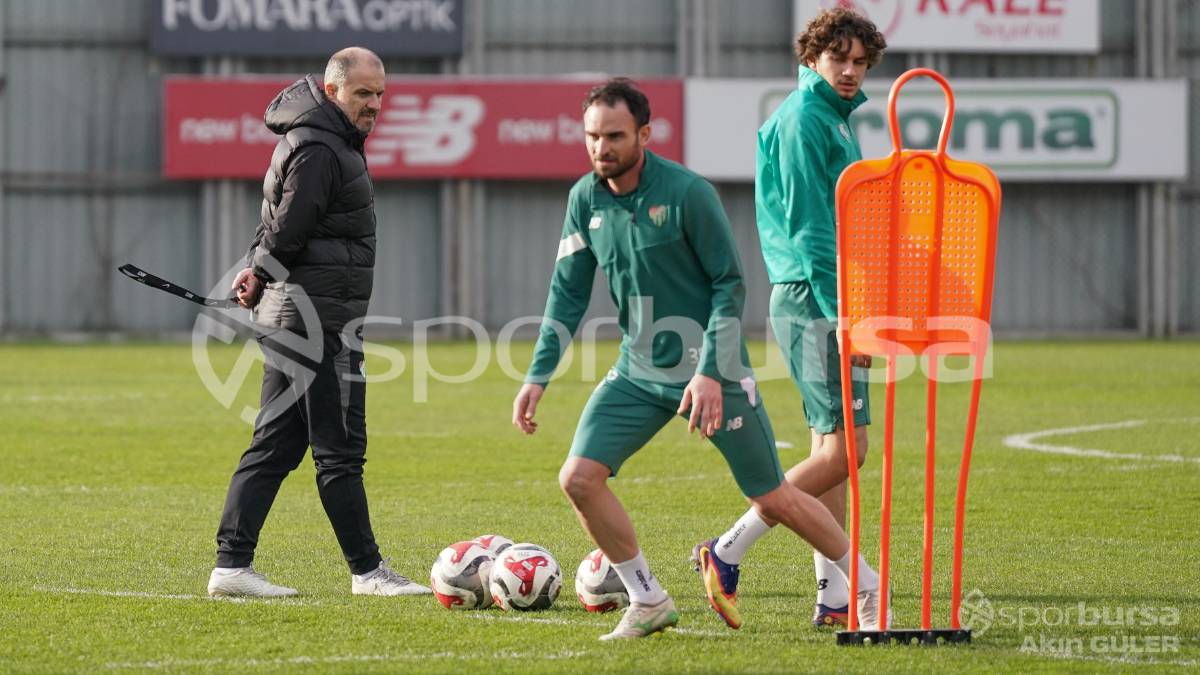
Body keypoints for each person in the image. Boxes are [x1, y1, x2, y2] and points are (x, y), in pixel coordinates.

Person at [511, 77, 885, 640]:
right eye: (591, 137)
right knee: (579, 478)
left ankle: (867, 587)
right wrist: (539, 374)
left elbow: (729, 285)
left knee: (773, 495)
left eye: (613, 136)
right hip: (638, 372)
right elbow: (567, 293)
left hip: (714, 369)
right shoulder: (584, 199)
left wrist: (711, 369)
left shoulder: (689, 193)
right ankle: (648, 599)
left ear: (645, 133)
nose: (600, 149)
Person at [206, 47, 431, 598]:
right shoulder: (322, 149)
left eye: (379, 94)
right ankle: (368, 573)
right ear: (333, 92)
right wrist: (259, 272)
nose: (374, 104)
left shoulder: (317, 142)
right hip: (316, 323)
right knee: (340, 448)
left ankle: (231, 567)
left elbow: (277, 225)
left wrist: (257, 274)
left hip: (297, 316)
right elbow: (289, 227)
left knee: (276, 445)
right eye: (362, 93)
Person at [692, 8, 889, 629]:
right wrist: (848, 319)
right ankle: (726, 550)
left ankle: (834, 596)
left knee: (830, 450)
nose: (852, 71)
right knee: (847, 453)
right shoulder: (808, 118)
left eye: (861, 62)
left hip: (818, 295)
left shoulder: (828, 116)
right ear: (812, 59)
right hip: (816, 297)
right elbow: (812, 230)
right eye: (840, 59)